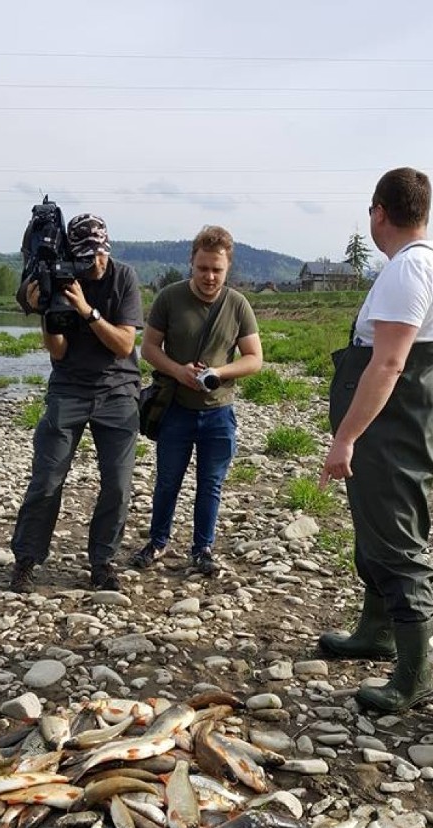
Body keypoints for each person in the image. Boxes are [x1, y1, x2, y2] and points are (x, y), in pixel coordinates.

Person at [318, 167, 433, 712]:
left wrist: (346, 438)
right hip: (401, 428)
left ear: (379, 211)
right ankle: (375, 632)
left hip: (390, 434)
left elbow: (390, 363)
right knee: (375, 536)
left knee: (398, 547)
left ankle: (414, 674)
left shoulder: (408, 272)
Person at [9, 214, 143, 593]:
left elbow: (124, 345)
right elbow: (59, 352)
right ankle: (26, 559)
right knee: (47, 479)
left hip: (118, 391)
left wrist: (87, 310)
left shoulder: (124, 278)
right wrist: (46, 314)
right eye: (85, 256)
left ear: (107, 247)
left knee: (117, 484)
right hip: (68, 388)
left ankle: (102, 562)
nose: (94, 263)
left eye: (99, 253)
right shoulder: (62, 278)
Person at [130, 225, 263, 576]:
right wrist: (178, 371)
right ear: (192, 263)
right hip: (175, 409)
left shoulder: (237, 305)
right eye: (203, 268)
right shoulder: (169, 298)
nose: (209, 276)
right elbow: (148, 349)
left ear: (227, 268)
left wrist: (219, 372)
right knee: (167, 481)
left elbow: (254, 358)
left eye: (217, 270)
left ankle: (202, 548)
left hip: (219, 413)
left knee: (211, 485)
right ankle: (157, 542)